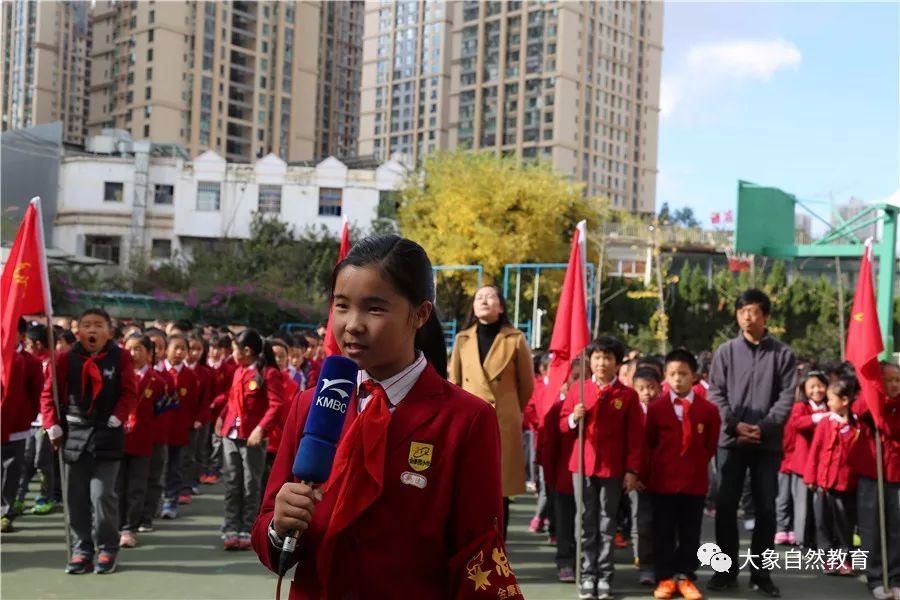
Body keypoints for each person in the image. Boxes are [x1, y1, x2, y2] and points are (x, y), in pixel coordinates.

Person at [252, 234, 516, 598]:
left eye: (374, 309)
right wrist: (279, 527)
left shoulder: (467, 419)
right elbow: (269, 531)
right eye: (341, 306)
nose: (352, 324)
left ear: (420, 314)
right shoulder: (309, 404)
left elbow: (477, 555)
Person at [707, 289, 796, 597]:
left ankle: (762, 574)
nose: (748, 316)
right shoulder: (725, 351)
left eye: (754, 311)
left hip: (766, 443)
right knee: (726, 505)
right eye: (742, 310)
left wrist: (764, 427)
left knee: (766, 510)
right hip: (730, 441)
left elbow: (787, 397)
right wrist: (735, 425)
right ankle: (725, 571)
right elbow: (716, 393)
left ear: (766, 316)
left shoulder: (783, 354)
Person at [41, 308, 137, 574]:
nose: (91, 330)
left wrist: (119, 416)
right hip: (73, 435)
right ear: (77, 330)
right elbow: (49, 395)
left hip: (107, 433)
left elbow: (130, 392)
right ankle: (82, 548)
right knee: (76, 497)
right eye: (86, 325)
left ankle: (107, 547)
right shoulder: (63, 359)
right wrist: (51, 426)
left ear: (109, 330)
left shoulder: (121, 357)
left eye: (98, 325)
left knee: (102, 495)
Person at [560, 335, 643, 600]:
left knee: (608, 521)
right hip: (582, 465)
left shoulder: (627, 396)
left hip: (613, 468)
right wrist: (575, 416)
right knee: (585, 520)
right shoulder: (579, 390)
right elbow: (563, 424)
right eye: (597, 357)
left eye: (608, 358)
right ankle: (586, 573)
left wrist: (632, 469)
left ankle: (604, 575)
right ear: (590, 360)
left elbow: (636, 437)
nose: (602, 363)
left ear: (618, 363)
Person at [449, 284, 534, 538]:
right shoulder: (462, 339)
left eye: (490, 296)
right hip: (469, 423)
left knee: (500, 493)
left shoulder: (515, 339)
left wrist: (508, 411)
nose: (484, 300)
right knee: (469, 491)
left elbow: (526, 385)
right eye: (479, 297)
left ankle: (498, 551)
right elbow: (454, 383)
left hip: (502, 424)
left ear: (501, 306)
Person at [643, 350, 721, 600]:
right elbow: (650, 442)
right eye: (673, 374)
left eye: (684, 374)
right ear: (665, 376)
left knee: (690, 531)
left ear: (694, 376)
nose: (678, 379)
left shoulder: (708, 410)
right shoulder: (656, 409)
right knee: (663, 530)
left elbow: (710, 446)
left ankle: (686, 576)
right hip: (663, 480)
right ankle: (665, 576)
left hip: (693, 480)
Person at [217, 329, 284, 550]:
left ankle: (247, 526)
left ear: (247, 350)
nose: (233, 353)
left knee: (250, 484)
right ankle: (230, 526)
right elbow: (232, 401)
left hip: (252, 438)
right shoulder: (239, 371)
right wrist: (222, 418)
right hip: (231, 435)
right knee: (232, 482)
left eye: (235, 349)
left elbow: (276, 405)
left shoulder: (268, 373)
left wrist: (261, 429)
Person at [848, 362, 900, 600]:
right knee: (872, 527)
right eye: (888, 380)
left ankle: (895, 576)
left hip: (896, 475)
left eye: (897, 380)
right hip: (873, 475)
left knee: (895, 528)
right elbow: (858, 410)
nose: (894, 385)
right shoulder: (870, 403)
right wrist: (875, 395)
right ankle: (876, 577)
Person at [803, 375, 859, 576]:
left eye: (831, 399)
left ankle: (845, 558)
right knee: (823, 522)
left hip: (845, 484)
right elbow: (815, 451)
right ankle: (827, 558)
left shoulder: (856, 426)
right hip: (823, 483)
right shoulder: (826, 422)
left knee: (844, 523)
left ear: (844, 401)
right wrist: (811, 477)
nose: (827, 403)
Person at [117, 334, 167, 548]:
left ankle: (130, 526)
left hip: (144, 441)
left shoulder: (159, 381)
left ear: (149, 353)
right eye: (130, 349)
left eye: (139, 349)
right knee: (117, 485)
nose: (134, 354)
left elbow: (165, 414)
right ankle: (116, 525)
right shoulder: (118, 377)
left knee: (137, 486)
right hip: (118, 439)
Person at [1, 318, 44, 532]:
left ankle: (5, 512)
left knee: (11, 470)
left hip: (15, 426)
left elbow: (35, 393)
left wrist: (26, 416)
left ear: (21, 334)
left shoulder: (31, 362)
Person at [785, 370, 829, 549]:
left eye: (820, 386)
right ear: (804, 389)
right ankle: (803, 539)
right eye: (812, 387)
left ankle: (820, 539)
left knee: (820, 506)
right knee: (803, 506)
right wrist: (817, 418)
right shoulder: (800, 407)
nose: (817, 390)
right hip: (803, 464)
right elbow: (797, 423)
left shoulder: (830, 405)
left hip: (823, 464)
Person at [17, 323, 57, 516]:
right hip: (29, 421)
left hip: (45, 421)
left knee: (42, 460)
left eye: (29, 343)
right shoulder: (25, 361)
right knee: (24, 461)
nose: (26, 346)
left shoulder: (54, 363)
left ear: (39, 344)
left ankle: (45, 496)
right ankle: (18, 497)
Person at [160, 334, 199, 519]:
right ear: (166, 349)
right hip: (159, 430)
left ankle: (171, 500)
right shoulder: (159, 373)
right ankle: (154, 500)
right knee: (159, 465)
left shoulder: (190, 375)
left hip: (180, 429)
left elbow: (195, 403)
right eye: (175, 347)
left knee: (176, 465)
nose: (179, 352)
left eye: (183, 348)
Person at [631, 366, 662, 586]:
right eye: (641, 388)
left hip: (664, 478)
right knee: (642, 523)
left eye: (651, 388)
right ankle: (646, 565)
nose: (647, 392)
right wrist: (635, 474)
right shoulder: (632, 413)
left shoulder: (666, 411)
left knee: (665, 524)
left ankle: (664, 565)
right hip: (638, 478)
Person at [182, 332, 213, 498]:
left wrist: (199, 419)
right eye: (191, 348)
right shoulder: (180, 370)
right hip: (180, 420)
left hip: (198, 420)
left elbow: (206, 399)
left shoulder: (205, 373)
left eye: (198, 349)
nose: (194, 352)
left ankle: (191, 482)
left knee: (194, 453)